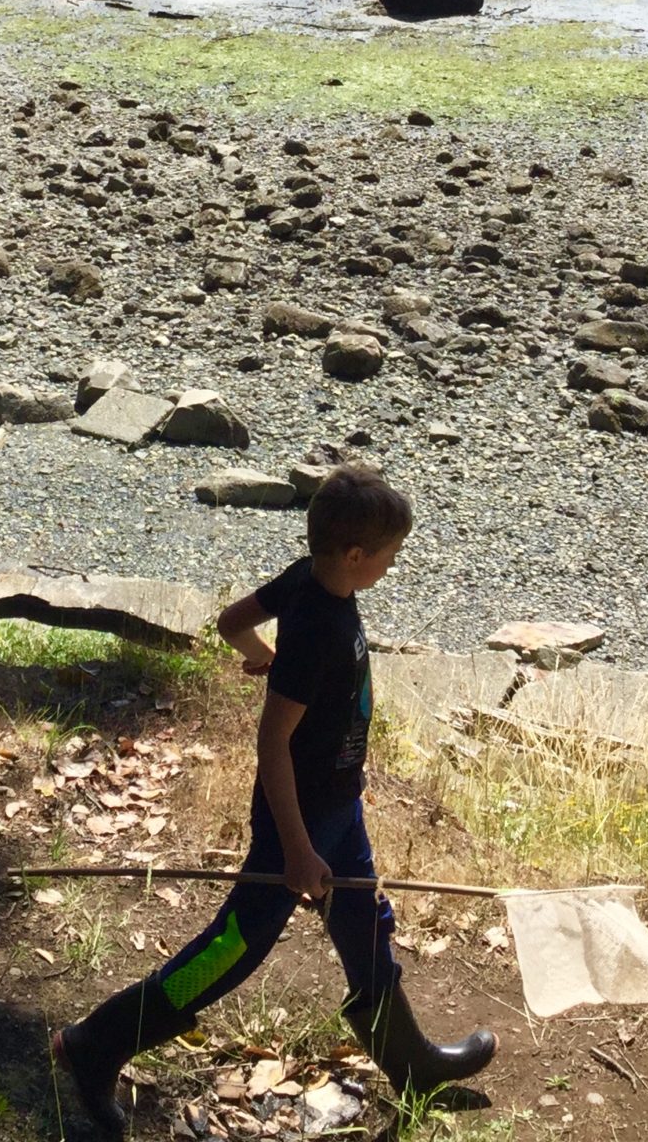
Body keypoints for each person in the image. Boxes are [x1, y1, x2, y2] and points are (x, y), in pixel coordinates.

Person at [51, 467, 495, 1137]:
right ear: (353, 555)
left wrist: (256, 651)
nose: (391, 565)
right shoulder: (318, 627)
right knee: (232, 951)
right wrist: (295, 848)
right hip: (301, 819)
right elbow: (272, 742)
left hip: (337, 807)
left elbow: (232, 621)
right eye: (388, 555)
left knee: (364, 919)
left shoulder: (307, 577)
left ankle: (411, 1065)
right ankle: (96, 1045)